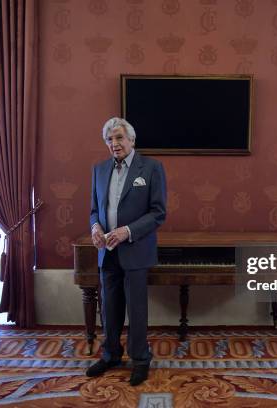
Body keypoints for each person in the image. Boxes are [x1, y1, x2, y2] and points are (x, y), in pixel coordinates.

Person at [86, 117, 167, 386]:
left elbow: (158, 212)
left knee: (136, 308)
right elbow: (94, 210)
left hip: (135, 250)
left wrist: (126, 231)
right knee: (109, 308)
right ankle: (110, 355)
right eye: (109, 139)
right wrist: (96, 227)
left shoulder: (152, 168)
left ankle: (140, 359)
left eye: (119, 138)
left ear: (132, 140)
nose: (114, 144)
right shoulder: (98, 170)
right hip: (107, 252)